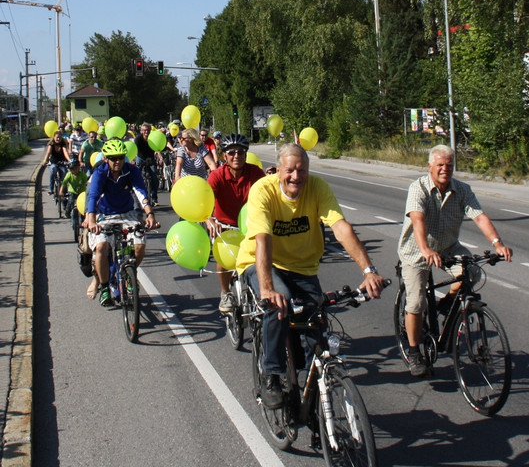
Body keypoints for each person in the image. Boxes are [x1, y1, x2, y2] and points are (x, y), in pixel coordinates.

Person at [236, 143, 385, 408]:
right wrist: (268, 288)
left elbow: (340, 228)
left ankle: (313, 398)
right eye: (290, 170)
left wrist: (369, 271)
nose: (296, 176)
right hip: (261, 262)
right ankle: (271, 375)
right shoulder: (263, 190)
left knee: (315, 328)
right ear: (278, 170)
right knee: (279, 303)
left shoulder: (317, 188)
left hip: (302, 267)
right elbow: (263, 238)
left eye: (302, 170)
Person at [398, 143, 513, 378]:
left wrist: (497, 244)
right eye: (440, 165)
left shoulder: (462, 190)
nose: (445, 169)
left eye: (449, 165)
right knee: (416, 303)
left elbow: (479, 217)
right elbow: (418, 219)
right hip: (416, 251)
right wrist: (425, 249)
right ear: (430, 166)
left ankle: (447, 302)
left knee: (472, 272)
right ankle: (414, 352)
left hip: (448, 247)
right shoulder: (418, 187)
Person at [85, 138, 159, 305]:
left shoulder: (131, 171)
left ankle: (128, 274)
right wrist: (91, 220)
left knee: (139, 244)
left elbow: (140, 192)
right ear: (106, 158)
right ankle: (104, 286)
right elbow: (93, 196)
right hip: (105, 215)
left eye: (120, 157)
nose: (117, 161)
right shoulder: (100, 173)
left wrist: (150, 214)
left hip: (127, 213)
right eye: (113, 158)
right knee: (101, 246)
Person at [206, 133, 265, 312]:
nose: (236, 156)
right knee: (224, 258)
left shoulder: (255, 173)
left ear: (246, 154)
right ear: (224, 156)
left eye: (240, 152)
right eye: (231, 152)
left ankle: (261, 291)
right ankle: (225, 293)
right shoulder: (217, 175)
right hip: (225, 225)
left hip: (250, 224)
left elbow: (268, 194)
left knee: (263, 255)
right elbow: (205, 199)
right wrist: (209, 218)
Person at [134, 122, 161, 206]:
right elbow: (134, 149)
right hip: (140, 158)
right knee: (137, 175)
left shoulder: (152, 138)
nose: (146, 132)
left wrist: (160, 157)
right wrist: (132, 159)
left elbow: (157, 148)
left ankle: (154, 199)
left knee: (154, 177)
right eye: (144, 130)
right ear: (141, 131)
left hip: (150, 159)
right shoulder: (138, 139)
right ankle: (137, 198)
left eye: (148, 130)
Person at [59, 157, 88, 225]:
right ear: (70, 169)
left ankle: (84, 216)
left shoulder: (82, 175)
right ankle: (67, 212)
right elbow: (64, 183)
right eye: (73, 169)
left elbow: (87, 183)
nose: (75, 170)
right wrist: (61, 191)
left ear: (79, 168)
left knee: (84, 203)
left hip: (81, 192)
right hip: (72, 191)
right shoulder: (69, 175)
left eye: (76, 168)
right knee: (71, 201)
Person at [42, 130, 71, 196]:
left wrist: (69, 160)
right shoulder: (51, 144)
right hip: (53, 162)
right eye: (57, 137)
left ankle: (64, 191)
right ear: (54, 137)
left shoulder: (63, 144)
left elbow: (65, 152)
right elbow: (48, 153)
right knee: (53, 170)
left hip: (62, 162)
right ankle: (51, 189)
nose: (58, 139)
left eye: (60, 137)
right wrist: (45, 161)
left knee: (65, 173)